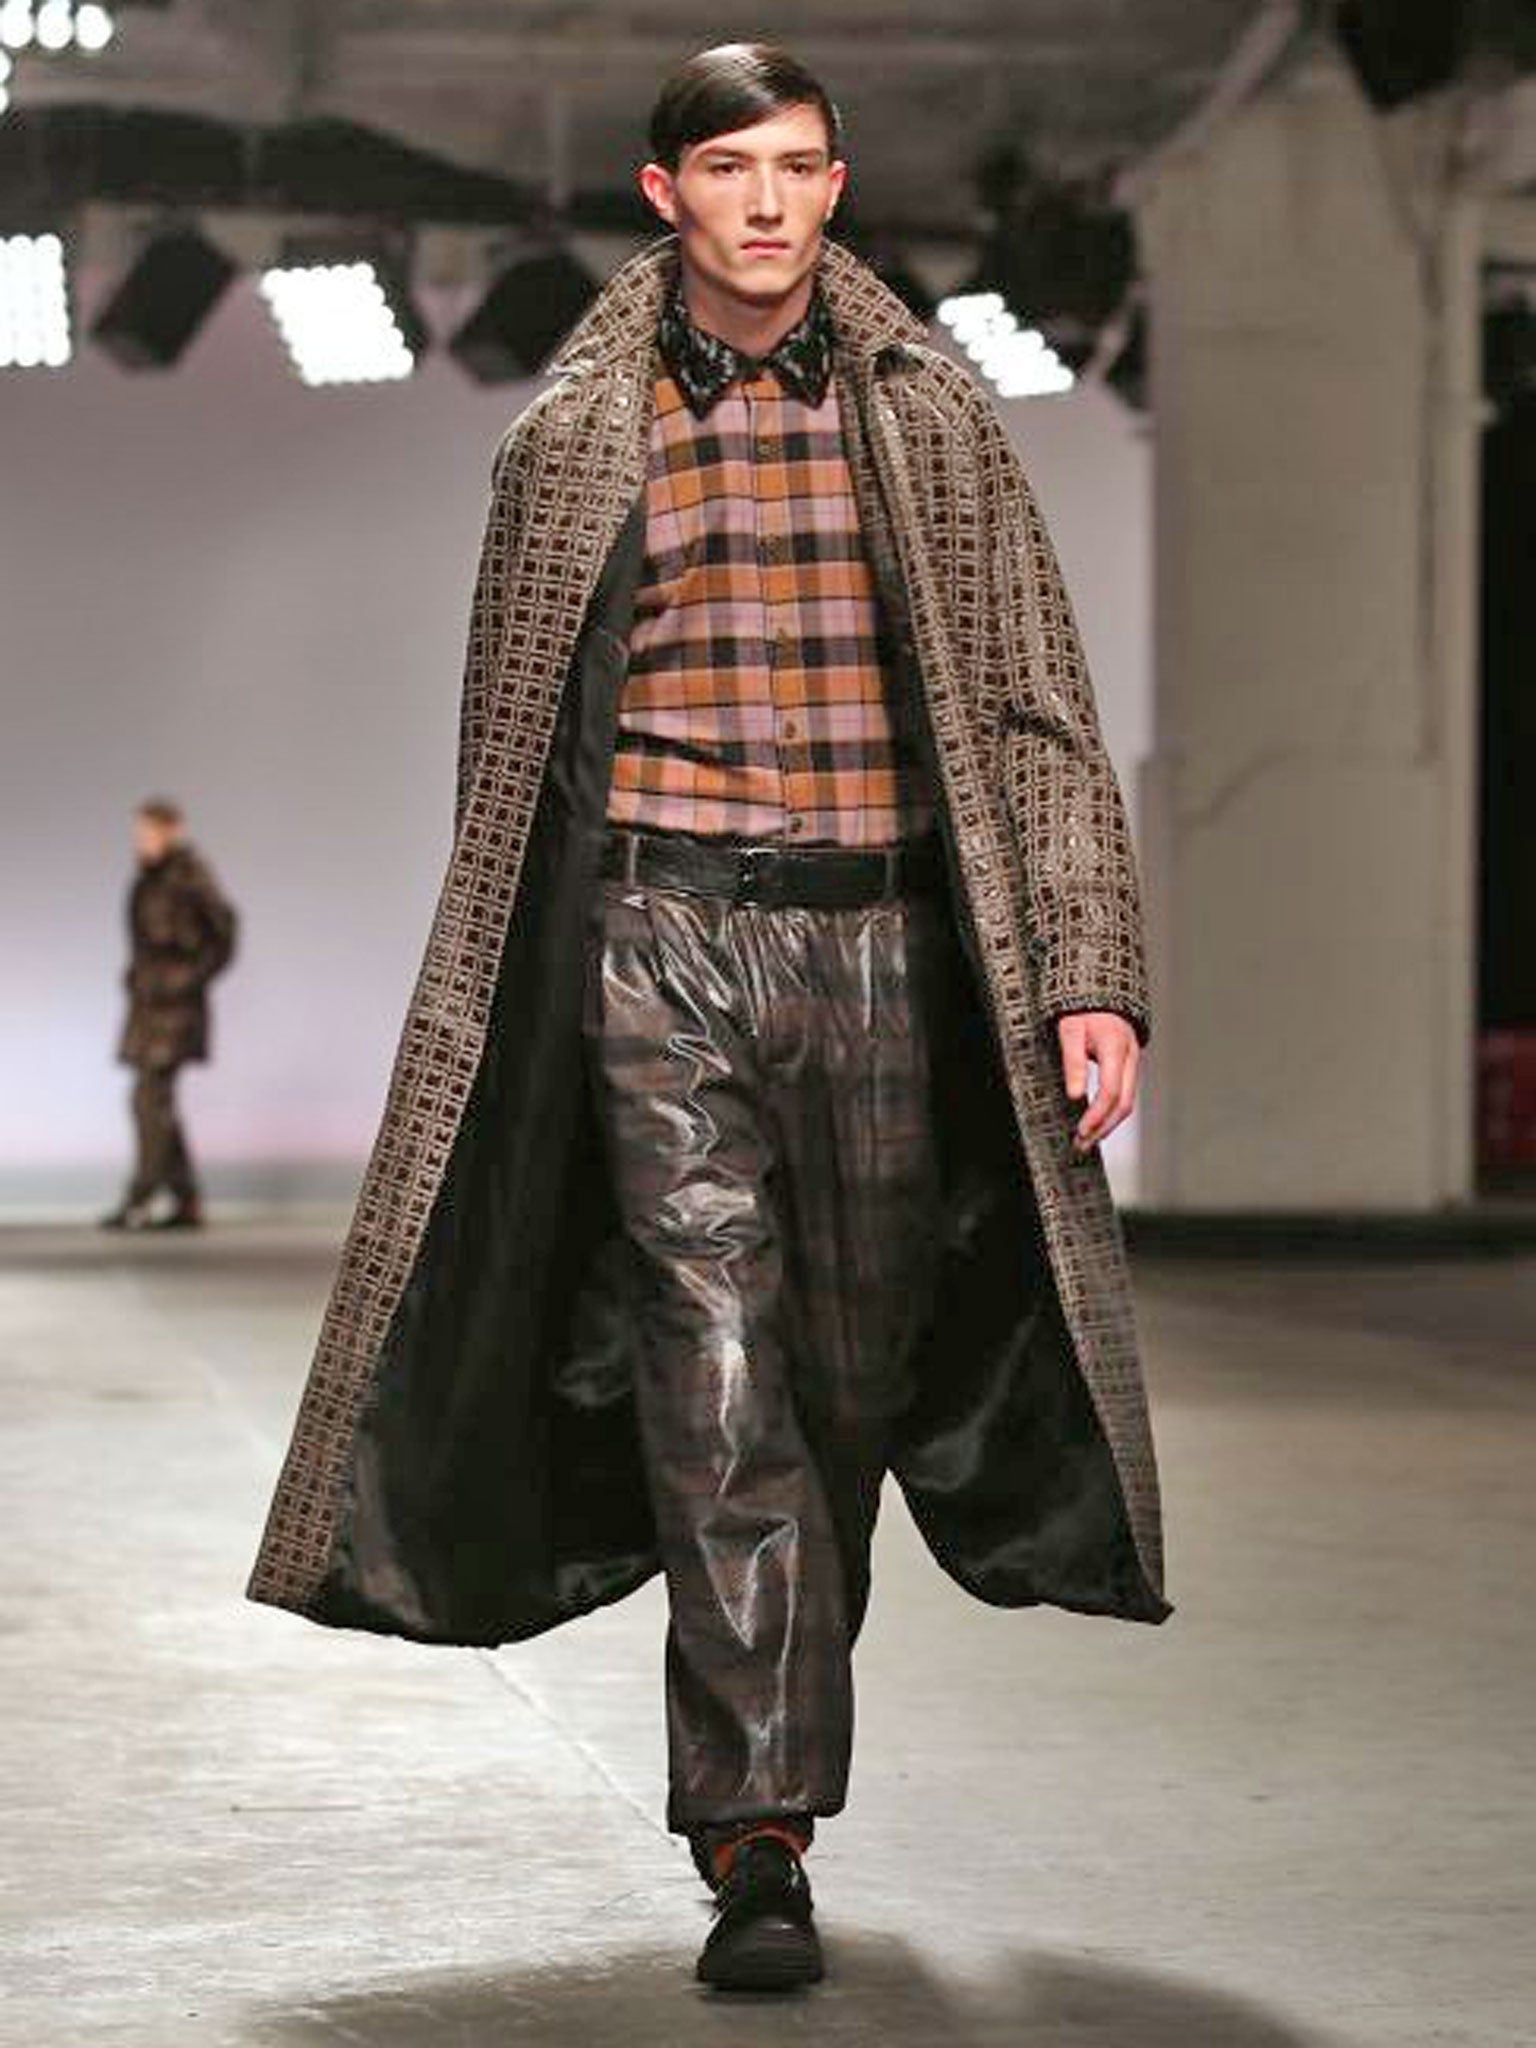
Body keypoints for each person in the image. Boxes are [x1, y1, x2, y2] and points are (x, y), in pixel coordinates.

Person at [248, 42, 1171, 1995]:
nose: (769, 201)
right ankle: (757, 1832)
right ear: (665, 193)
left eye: (802, 166)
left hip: (889, 949)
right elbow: (510, 756)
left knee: (840, 1385)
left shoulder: (935, 416)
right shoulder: (572, 435)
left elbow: (1038, 703)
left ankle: (773, 1756)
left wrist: (1089, 964)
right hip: (655, 940)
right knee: (715, 1361)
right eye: (732, 168)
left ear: (836, 187)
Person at [101, 798, 238, 1232]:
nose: (143, 841)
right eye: (140, 833)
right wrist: (136, 976)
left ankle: (141, 1196)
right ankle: (186, 1198)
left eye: (150, 832)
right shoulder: (151, 878)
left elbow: (224, 932)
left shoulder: (189, 876)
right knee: (155, 1100)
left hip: (175, 1009)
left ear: (172, 831)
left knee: (149, 1098)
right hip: (149, 1003)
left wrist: (187, 979)